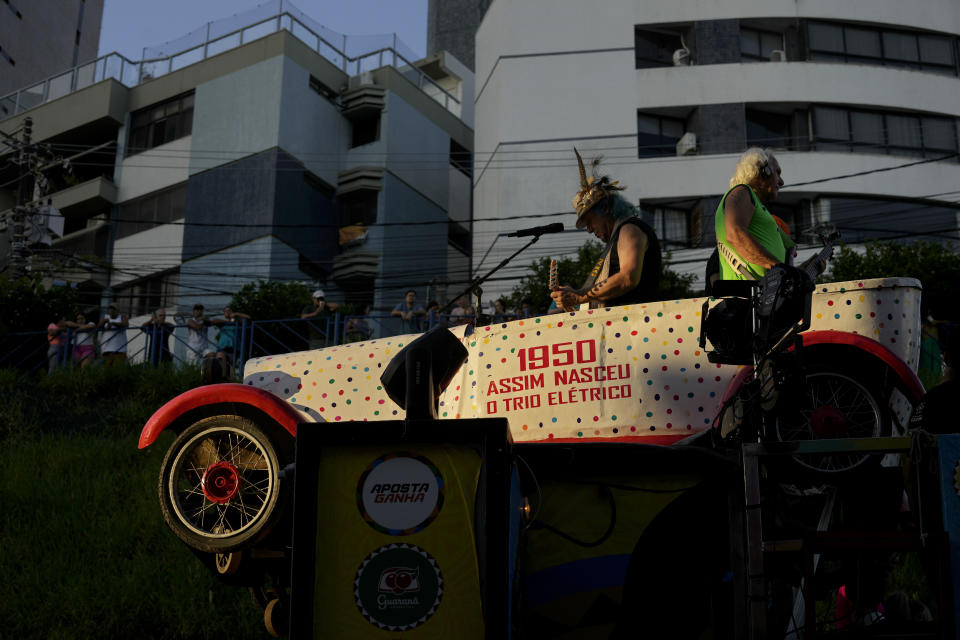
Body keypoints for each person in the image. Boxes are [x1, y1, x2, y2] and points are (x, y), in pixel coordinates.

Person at [551, 148, 661, 312]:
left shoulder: (629, 229)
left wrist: (580, 296)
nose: (588, 230)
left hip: (635, 327)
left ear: (605, 210)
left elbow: (627, 278)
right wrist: (574, 297)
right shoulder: (618, 238)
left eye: (590, 221)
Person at [714, 147, 803, 282]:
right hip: (745, 298)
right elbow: (735, 234)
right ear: (764, 171)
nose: (781, 182)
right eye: (777, 173)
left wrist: (800, 272)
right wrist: (779, 268)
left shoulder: (759, 209)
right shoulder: (741, 192)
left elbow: (784, 269)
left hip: (762, 297)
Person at [210, 305, 251, 377]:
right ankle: (220, 378)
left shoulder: (237, 322)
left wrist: (237, 314)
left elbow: (248, 318)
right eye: (226, 311)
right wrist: (227, 321)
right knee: (220, 361)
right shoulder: (223, 323)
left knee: (230, 366)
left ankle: (229, 379)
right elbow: (213, 321)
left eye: (229, 311)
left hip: (234, 347)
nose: (228, 312)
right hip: (223, 346)